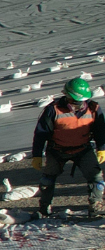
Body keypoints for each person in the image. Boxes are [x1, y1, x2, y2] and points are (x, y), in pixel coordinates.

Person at [32, 77, 104, 217]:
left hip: (83, 149)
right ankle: (44, 208)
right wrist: (37, 155)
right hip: (57, 150)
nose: (79, 104)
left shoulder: (93, 109)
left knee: (97, 178)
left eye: (81, 101)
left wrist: (102, 148)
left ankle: (96, 206)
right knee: (47, 180)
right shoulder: (53, 110)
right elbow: (41, 134)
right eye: (75, 100)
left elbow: (100, 130)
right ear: (67, 96)